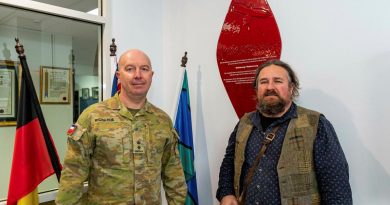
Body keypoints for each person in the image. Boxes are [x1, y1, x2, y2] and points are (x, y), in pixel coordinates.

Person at [56, 49, 187, 204]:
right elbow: (73, 175)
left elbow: (174, 175)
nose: (138, 75)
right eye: (130, 69)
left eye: (144, 69)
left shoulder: (163, 121)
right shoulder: (92, 117)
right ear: (119, 76)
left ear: (151, 75)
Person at [216, 59, 352, 205]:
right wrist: (226, 193)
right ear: (256, 89)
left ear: (291, 88)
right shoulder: (244, 123)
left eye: (278, 81)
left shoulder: (316, 124)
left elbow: (335, 185)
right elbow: (230, 161)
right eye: (263, 82)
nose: (270, 87)